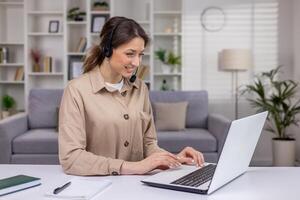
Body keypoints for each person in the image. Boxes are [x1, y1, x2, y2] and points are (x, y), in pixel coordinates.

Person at [59, 16, 205, 176]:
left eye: (140, 54)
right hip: (96, 187)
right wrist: (132, 167)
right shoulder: (76, 90)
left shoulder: (140, 88)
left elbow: (148, 143)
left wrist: (173, 159)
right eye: (130, 54)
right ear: (107, 50)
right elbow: (71, 158)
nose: (137, 62)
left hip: (137, 185)